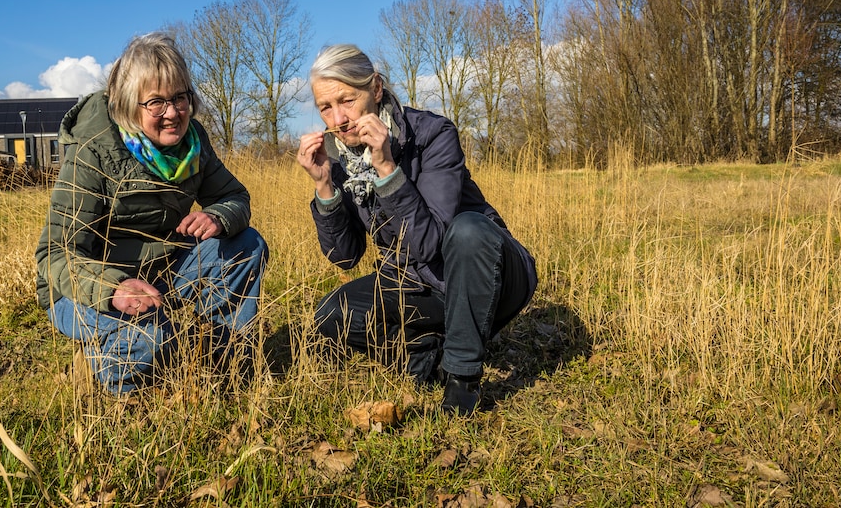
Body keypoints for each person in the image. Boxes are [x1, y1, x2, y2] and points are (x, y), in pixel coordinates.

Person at [296, 44, 537, 415]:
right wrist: (324, 186)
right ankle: (429, 354)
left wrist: (388, 170)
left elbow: (432, 243)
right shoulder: (343, 159)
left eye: (347, 99)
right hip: (417, 285)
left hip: (491, 272)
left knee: (468, 230)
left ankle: (461, 380)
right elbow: (343, 257)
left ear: (375, 89)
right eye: (325, 107)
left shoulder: (432, 135)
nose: (338, 118)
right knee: (332, 315)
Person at [35, 32, 268, 394]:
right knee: (152, 337)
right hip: (86, 292)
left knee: (246, 245)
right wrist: (113, 288)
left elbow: (234, 196)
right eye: (156, 102)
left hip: (162, 273)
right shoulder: (92, 151)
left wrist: (219, 216)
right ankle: (110, 377)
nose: (173, 113)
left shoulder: (194, 142)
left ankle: (226, 362)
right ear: (130, 104)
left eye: (180, 98)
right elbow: (54, 253)